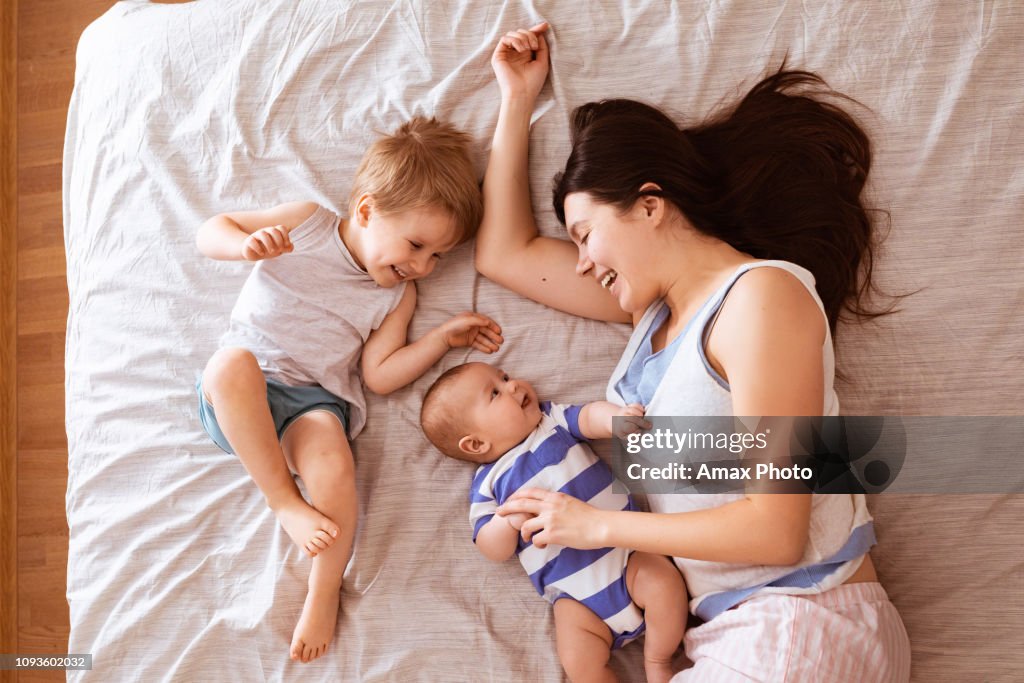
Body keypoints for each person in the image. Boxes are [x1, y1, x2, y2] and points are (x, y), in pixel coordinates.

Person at [477, 23, 911, 682]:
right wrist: (516, 100)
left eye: (587, 234)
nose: (584, 262)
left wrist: (597, 526)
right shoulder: (653, 314)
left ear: (650, 205)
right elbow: (502, 254)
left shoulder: (760, 297)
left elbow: (775, 528)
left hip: (800, 614)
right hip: (744, 630)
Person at [195, 117, 504, 663]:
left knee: (336, 465)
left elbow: (380, 376)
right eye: (416, 245)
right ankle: (285, 503)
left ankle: (324, 585)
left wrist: (439, 339)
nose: (421, 267)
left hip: (310, 403)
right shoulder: (306, 224)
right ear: (365, 210)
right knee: (228, 365)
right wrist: (246, 246)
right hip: (244, 392)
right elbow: (209, 230)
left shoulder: (396, 298)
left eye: (436, 257)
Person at [420, 361, 687, 683]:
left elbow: (588, 417)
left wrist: (614, 420)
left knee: (664, 585)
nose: (514, 385)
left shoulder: (551, 421)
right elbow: (491, 548)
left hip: (627, 555)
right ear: (476, 444)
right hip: (575, 597)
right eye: (495, 392)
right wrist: (509, 522)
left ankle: (657, 660)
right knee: (577, 660)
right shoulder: (488, 485)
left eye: (505, 377)